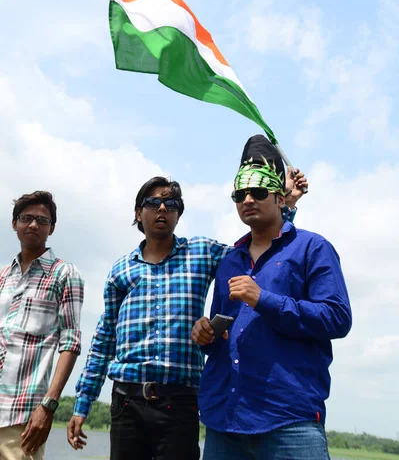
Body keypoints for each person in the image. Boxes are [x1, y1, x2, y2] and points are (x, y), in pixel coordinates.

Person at [68, 163, 307, 460]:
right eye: (153, 203)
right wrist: (83, 403)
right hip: (126, 400)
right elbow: (104, 339)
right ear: (138, 213)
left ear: (179, 214)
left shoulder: (201, 253)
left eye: (172, 204)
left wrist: (287, 205)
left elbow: (256, 254)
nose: (162, 209)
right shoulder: (121, 270)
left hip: (179, 402)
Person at [192, 136, 352, 460]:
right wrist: (206, 335)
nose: (248, 199)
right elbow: (224, 334)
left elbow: (337, 317)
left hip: (289, 421)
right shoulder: (229, 261)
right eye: (240, 194)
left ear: (280, 197)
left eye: (259, 192)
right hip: (225, 420)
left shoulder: (312, 248)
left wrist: (264, 299)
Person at [0, 191, 84, 460]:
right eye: (26, 218)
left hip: (22, 415)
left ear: (52, 228)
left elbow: (70, 343)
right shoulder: (2, 276)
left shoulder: (64, 274)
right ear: (15, 224)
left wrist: (48, 405)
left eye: (42, 220)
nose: (33, 225)